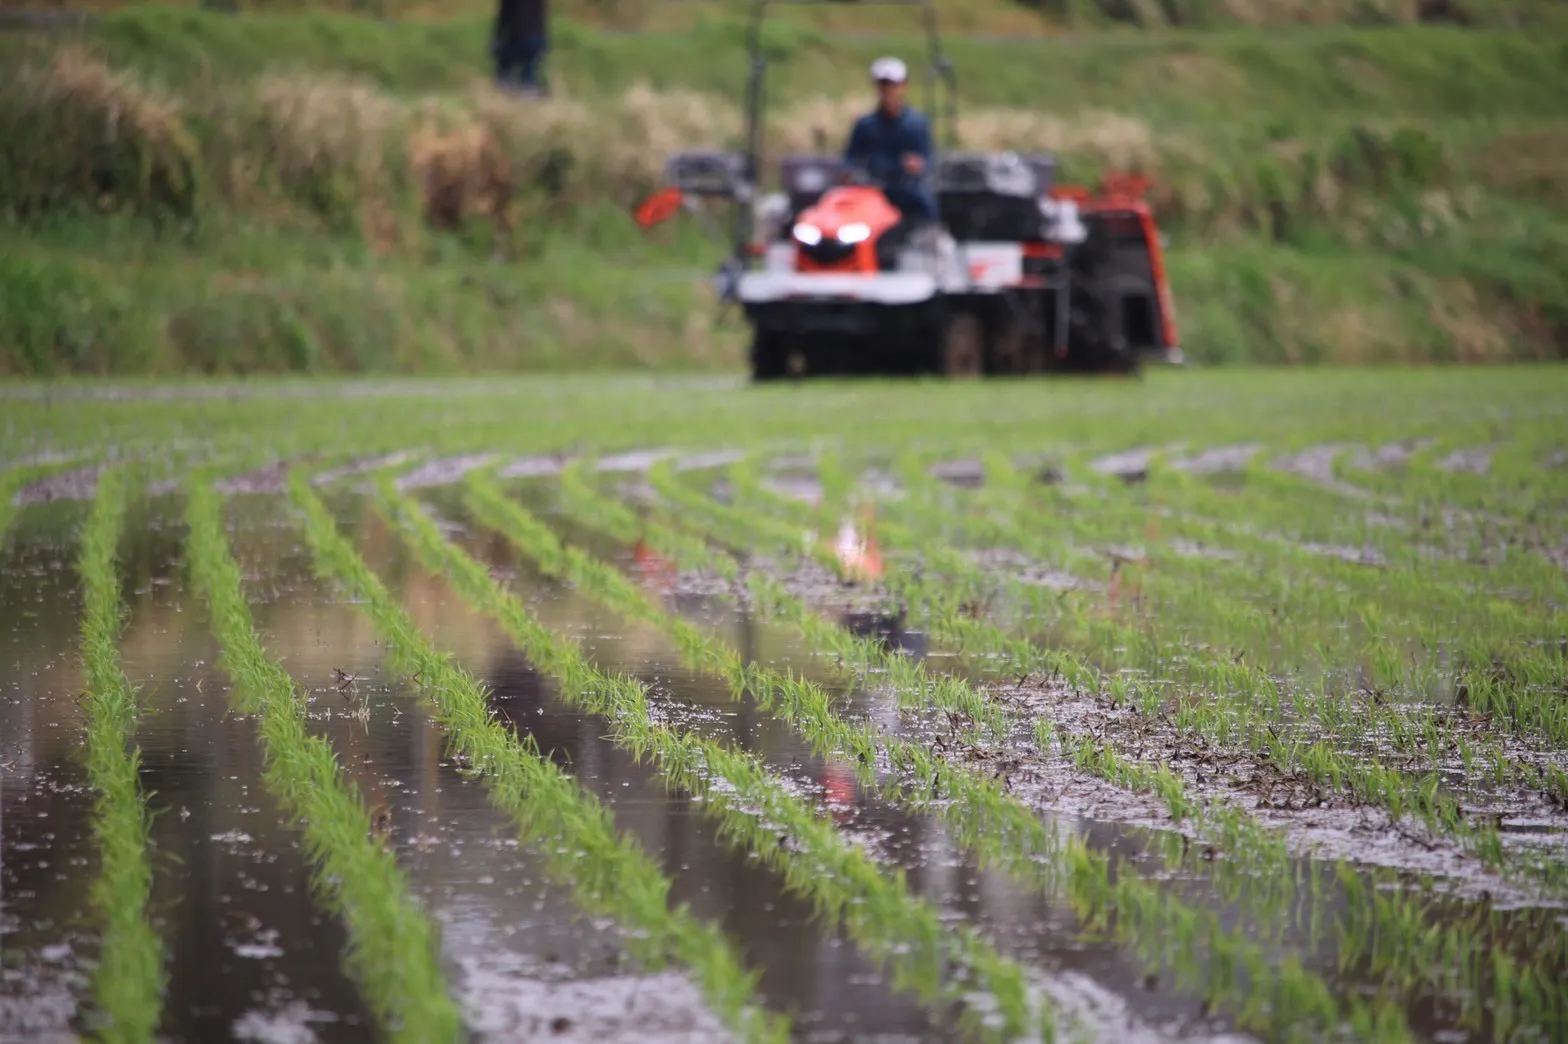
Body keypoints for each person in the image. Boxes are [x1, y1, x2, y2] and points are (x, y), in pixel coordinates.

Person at [842, 57, 939, 226]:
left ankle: (928, 234)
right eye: (883, 85)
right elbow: (850, 159)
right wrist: (851, 172)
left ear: (904, 86)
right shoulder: (865, 125)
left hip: (905, 188)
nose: (888, 91)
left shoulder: (917, 124)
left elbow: (928, 158)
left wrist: (918, 165)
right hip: (871, 188)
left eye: (893, 85)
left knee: (924, 201)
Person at [492, 0, 548, 96]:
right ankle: (528, 86)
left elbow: (504, 15)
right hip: (536, 35)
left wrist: (498, 37)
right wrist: (544, 39)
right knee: (530, 63)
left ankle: (505, 82)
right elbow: (542, 14)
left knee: (504, 58)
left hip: (518, 34)